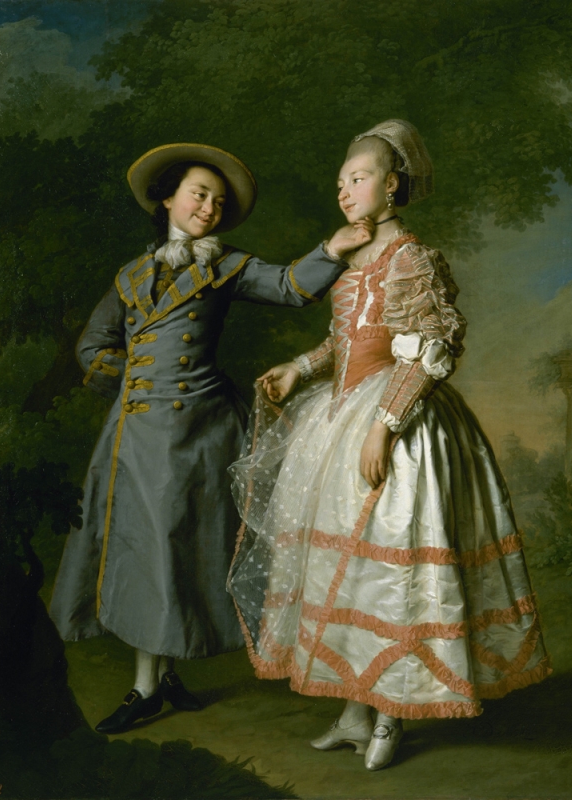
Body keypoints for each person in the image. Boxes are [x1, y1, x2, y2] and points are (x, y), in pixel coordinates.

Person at [228, 120, 551, 771]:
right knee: (343, 573)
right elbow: (344, 342)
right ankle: (354, 710)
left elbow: (432, 349)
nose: (345, 191)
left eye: (358, 178)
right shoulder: (352, 258)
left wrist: (385, 423)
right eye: (340, 182)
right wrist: (298, 368)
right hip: (337, 419)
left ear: (393, 185)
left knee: (390, 571)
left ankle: (391, 714)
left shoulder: (412, 258)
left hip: (400, 423)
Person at [49, 142, 370, 734]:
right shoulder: (130, 275)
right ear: (167, 199)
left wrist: (332, 250)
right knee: (145, 549)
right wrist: (132, 381)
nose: (209, 208)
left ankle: (153, 682)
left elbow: (290, 286)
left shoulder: (226, 265)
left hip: (198, 429)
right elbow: (93, 346)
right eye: (199, 194)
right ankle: (153, 681)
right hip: (134, 433)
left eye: (218, 202)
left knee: (179, 546)